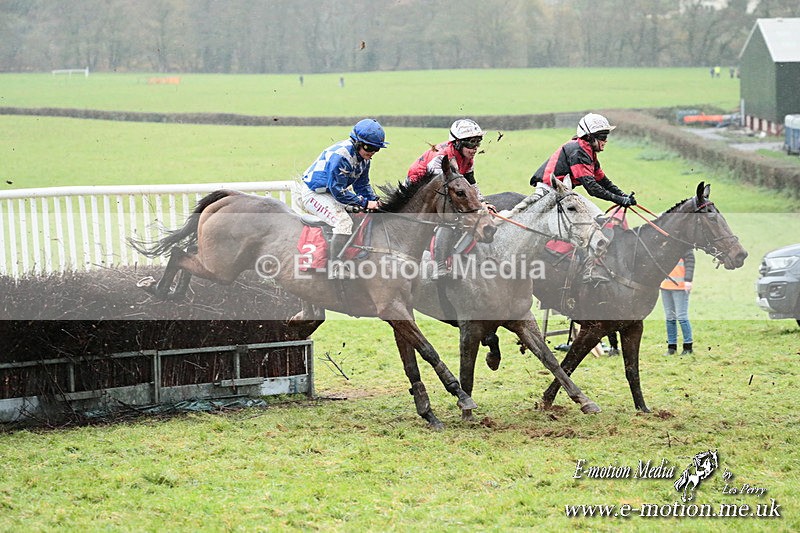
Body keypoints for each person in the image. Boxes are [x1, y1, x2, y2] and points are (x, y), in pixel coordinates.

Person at [407, 118, 490, 278]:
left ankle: (458, 256)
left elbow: (470, 184)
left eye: (478, 143)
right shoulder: (440, 157)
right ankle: (439, 265)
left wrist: (483, 203)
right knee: (449, 218)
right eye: (471, 143)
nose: (475, 148)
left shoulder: (468, 158)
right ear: (457, 143)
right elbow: (440, 189)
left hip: (445, 185)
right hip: (418, 187)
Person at [299, 118, 387, 263]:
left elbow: (362, 186)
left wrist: (375, 201)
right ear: (357, 143)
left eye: (376, 149)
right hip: (314, 193)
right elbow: (338, 191)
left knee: (359, 216)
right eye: (369, 148)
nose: (372, 152)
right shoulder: (341, 156)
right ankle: (335, 265)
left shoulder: (364, 159)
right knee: (344, 222)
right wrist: (365, 203)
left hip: (330, 193)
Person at [530, 113, 636, 208]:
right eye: (602, 137)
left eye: (606, 136)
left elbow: (602, 180)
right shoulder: (578, 152)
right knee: (596, 216)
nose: (606, 140)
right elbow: (592, 187)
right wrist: (619, 200)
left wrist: (623, 195)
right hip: (549, 192)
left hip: (562, 191)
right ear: (589, 137)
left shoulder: (588, 151)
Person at [660, 249, 695, 355]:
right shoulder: (664, 245)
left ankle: (688, 347)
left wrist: (688, 280)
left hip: (680, 287)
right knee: (669, 318)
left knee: (682, 317)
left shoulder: (685, 246)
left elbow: (690, 263)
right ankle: (672, 347)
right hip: (665, 286)